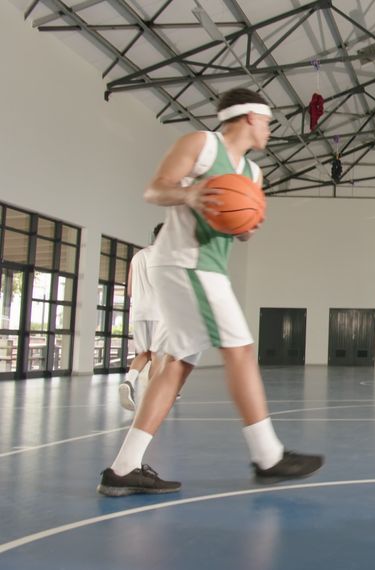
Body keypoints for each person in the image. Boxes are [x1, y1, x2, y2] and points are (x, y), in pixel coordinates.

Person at [97, 88, 323, 497]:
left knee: (175, 365)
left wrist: (246, 225)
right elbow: (155, 189)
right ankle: (268, 455)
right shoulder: (201, 145)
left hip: (208, 267)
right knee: (240, 349)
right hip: (186, 262)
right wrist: (190, 193)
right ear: (251, 117)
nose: (271, 129)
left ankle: (123, 467)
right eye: (268, 121)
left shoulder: (253, 175)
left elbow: (239, 229)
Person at [119, 223, 164, 412]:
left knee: (143, 353)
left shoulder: (137, 256)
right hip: (159, 311)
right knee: (156, 355)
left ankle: (129, 381)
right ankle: (151, 398)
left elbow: (129, 290)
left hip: (138, 311)